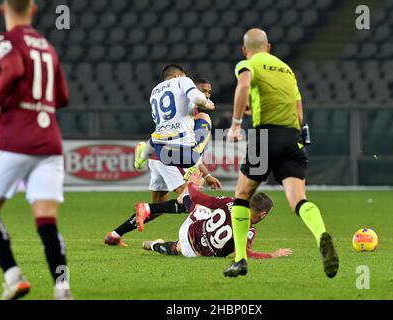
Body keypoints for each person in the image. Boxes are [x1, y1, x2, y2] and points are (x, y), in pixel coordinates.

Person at [224, 29, 339, 278]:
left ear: (245, 50)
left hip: (264, 136)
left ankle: (240, 259)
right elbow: (298, 113)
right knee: (298, 200)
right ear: (269, 47)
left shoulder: (248, 63)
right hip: (292, 139)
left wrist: (235, 124)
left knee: (242, 196)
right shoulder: (287, 71)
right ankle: (322, 235)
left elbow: (244, 85)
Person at [0, 0, 72, 299]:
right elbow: (62, 97)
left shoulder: (3, 41)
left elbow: (12, 69)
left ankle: (13, 276)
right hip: (49, 141)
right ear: (33, 9)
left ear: (3, 9)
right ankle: (62, 287)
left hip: (16, 138)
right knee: (46, 221)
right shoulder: (47, 47)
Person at [104, 80, 221, 246]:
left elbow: (191, 151)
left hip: (158, 156)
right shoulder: (194, 115)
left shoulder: (182, 111)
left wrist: (207, 174)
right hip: (169, 158)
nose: (207, 95)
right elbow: (192, 149)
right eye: (203, 91)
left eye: (209, 92)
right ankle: (202, 243)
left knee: (160, 207)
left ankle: (114, 235)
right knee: (189, 200)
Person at [142, 171, 292, 260]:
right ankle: (157, 245)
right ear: (263, 214)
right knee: (185, 245)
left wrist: (192, 185)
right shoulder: (249, 230)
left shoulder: (231, 202)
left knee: (201, 208)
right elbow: (243, 252)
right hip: (195, 254)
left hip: (187, 231)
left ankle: (183, 198)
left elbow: (199, 198)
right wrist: (272, 255)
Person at [134, 64, 215, 169]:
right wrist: (206, 103)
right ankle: (193, 167)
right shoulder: (182, 81)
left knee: (162, 130)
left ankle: (143, 155)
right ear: (178, 76)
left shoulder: (154, 91)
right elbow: (197, 98)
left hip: (161, 151)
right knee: (204, 117)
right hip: (186, 155)